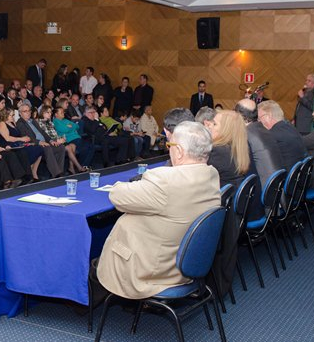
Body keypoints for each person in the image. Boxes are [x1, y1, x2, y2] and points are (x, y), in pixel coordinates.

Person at [90, 121, 220, 305]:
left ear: (179, 151)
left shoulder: (165, 180)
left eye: (170, 145)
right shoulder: (211, 174)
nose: (168, 149)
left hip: (151, 269)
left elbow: (117, 196)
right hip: (183, 264)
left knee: (96, 266)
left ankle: (86, 310)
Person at [235, 98, 282, 219]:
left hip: (265, 201)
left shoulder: (246, 135)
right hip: (276, 192)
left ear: (239, 116)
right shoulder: (263, 129)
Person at [16, 104, 66, 178]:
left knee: (61, 147)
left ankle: (60, 171)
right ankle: (56, 174)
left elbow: (43, 132)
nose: (28, 113)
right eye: (25, 111)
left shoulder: (33, 121)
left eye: (29, 110)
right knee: (47, 148)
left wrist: (51, 140)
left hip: (45, 142)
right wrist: (39, 142)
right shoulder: (20, 123)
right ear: (20, 113)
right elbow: (27, 138)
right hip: (35, 145)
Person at [205, 110, 250, 191]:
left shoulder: (217, 151)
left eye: (214, 124)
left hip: (219, 197)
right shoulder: (238, 148)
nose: (210, 127)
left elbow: (200, 178)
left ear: (225, 130)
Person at [37, 106, 89, 175]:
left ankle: (71, 168)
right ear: (43, 113)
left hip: (58, 140)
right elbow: (45, 136)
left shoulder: (50, 122)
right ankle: (79, 167)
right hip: (51, 142)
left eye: (50, 112)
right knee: (69, 147)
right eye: (48, 112)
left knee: (73, 145)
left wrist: (61, 138)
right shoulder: (40, 122)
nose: (50, 114)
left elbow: (76, 126)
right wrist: (57, 140)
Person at [258, 100, 307, 172]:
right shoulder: (290, 127)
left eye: (259, 118)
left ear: (268, 116)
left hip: (286, 176)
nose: (258, 121)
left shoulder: (272, 135)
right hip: (298, 174)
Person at [0, 108, 43, 181]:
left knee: (39, 148)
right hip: (9, 145)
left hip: (18, 143)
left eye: (13, 115)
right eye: (11, 115)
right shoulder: (2, 124)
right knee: (24, 152)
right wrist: (21, 139)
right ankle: (28, 174)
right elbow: (7, 138)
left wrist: (25, 142)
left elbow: (18, 136)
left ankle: (31, 171)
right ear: (5, 115)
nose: (13, 116)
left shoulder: (12, 123)